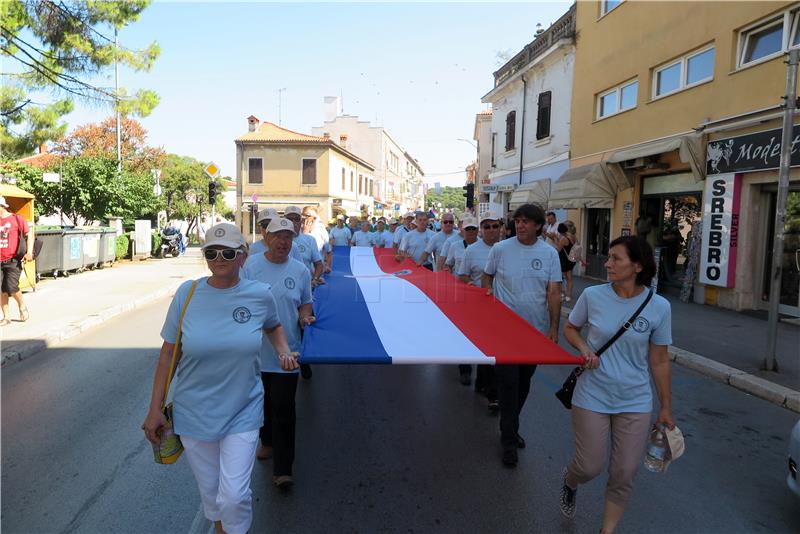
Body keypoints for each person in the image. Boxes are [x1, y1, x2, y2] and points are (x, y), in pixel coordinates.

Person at [142, 223, 297, 534]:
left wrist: (284, 350)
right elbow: (167, 354)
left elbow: (273, 326)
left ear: (243, 256)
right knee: (213, 495)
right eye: (212, 252)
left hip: (243, 410)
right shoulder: (187, 294)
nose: (219, 258)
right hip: (194, 413)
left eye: (228, 252)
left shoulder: (259, 295)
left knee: (234, 495)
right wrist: (154, 408)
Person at [560, 235, 673, 534]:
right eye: (608, 257)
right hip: (592, 393)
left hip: (635, 399)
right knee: (589, 466)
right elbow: (571, 328)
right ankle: (570, 480)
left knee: (624, 473)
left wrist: (665, 407)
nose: (608, 264)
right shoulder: (593, 296)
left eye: (615, 259)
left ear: (637, 266)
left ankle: (606, 531)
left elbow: (660, 360)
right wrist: (584, 349)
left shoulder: (659, 306)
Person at [482, 203, 562, 467]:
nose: (521, 225)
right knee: (508, 384)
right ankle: (508, 441)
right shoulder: (500, 249)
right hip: (503, 332)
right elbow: (486, 277)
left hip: (534, 332)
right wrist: (489, 296)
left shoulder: (549, 254)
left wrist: (553, 328)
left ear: (539, 225)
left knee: (524, 383)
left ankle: (511, 426)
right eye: (518, 221)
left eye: (527, 221)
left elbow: (553, 292)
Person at [242, 217, 314, 490]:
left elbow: (305, 304)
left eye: (288, 237)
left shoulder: (300, 271)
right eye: (278, 236)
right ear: (267, 238)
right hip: (256, 352)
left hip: (288, 353)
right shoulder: (252, 265)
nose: (283, 242)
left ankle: (283, 468)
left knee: (284, 409)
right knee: (263, 405)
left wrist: (306, 318)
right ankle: (268, 440)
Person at [457, 212, 502, 407]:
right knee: (487, 348)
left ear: (500, 228)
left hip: (504, 307)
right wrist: (475, 288)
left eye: (495, 226)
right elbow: (463, 276)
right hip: (481, 307)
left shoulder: (508, 249)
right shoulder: (472, 251)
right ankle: (487, 387)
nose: (491, 230)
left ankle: (491, 389)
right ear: (481, 230)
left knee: (498, 350)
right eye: (487, 227)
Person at [0, 196, 32, 326]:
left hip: (13, 260)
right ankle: (6, 317)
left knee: (11, 288)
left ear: (2, 206)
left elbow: (29, 234)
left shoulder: (16, 219)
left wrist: (29, 252)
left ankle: (22, 305)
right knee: (1, 290)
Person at [301, 207, 332, 273]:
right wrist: (304, 232)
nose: (303, 217)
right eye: (302, 215)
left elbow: (329, 251)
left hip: (316, 273)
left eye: (307, 216)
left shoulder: (321, 231)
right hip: (301, 271)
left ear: (314, 218)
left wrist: (328, 266)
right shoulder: (298, 230)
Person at [557, 222, 577, 303]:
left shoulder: (563, 239)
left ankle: (561, 294)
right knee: (569, 278)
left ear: (559, 231)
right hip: (571, 259)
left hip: (563, 260)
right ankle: (568, 296)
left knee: (560, 278)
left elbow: (558, 250)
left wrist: (556, 240)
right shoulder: (572, 236)